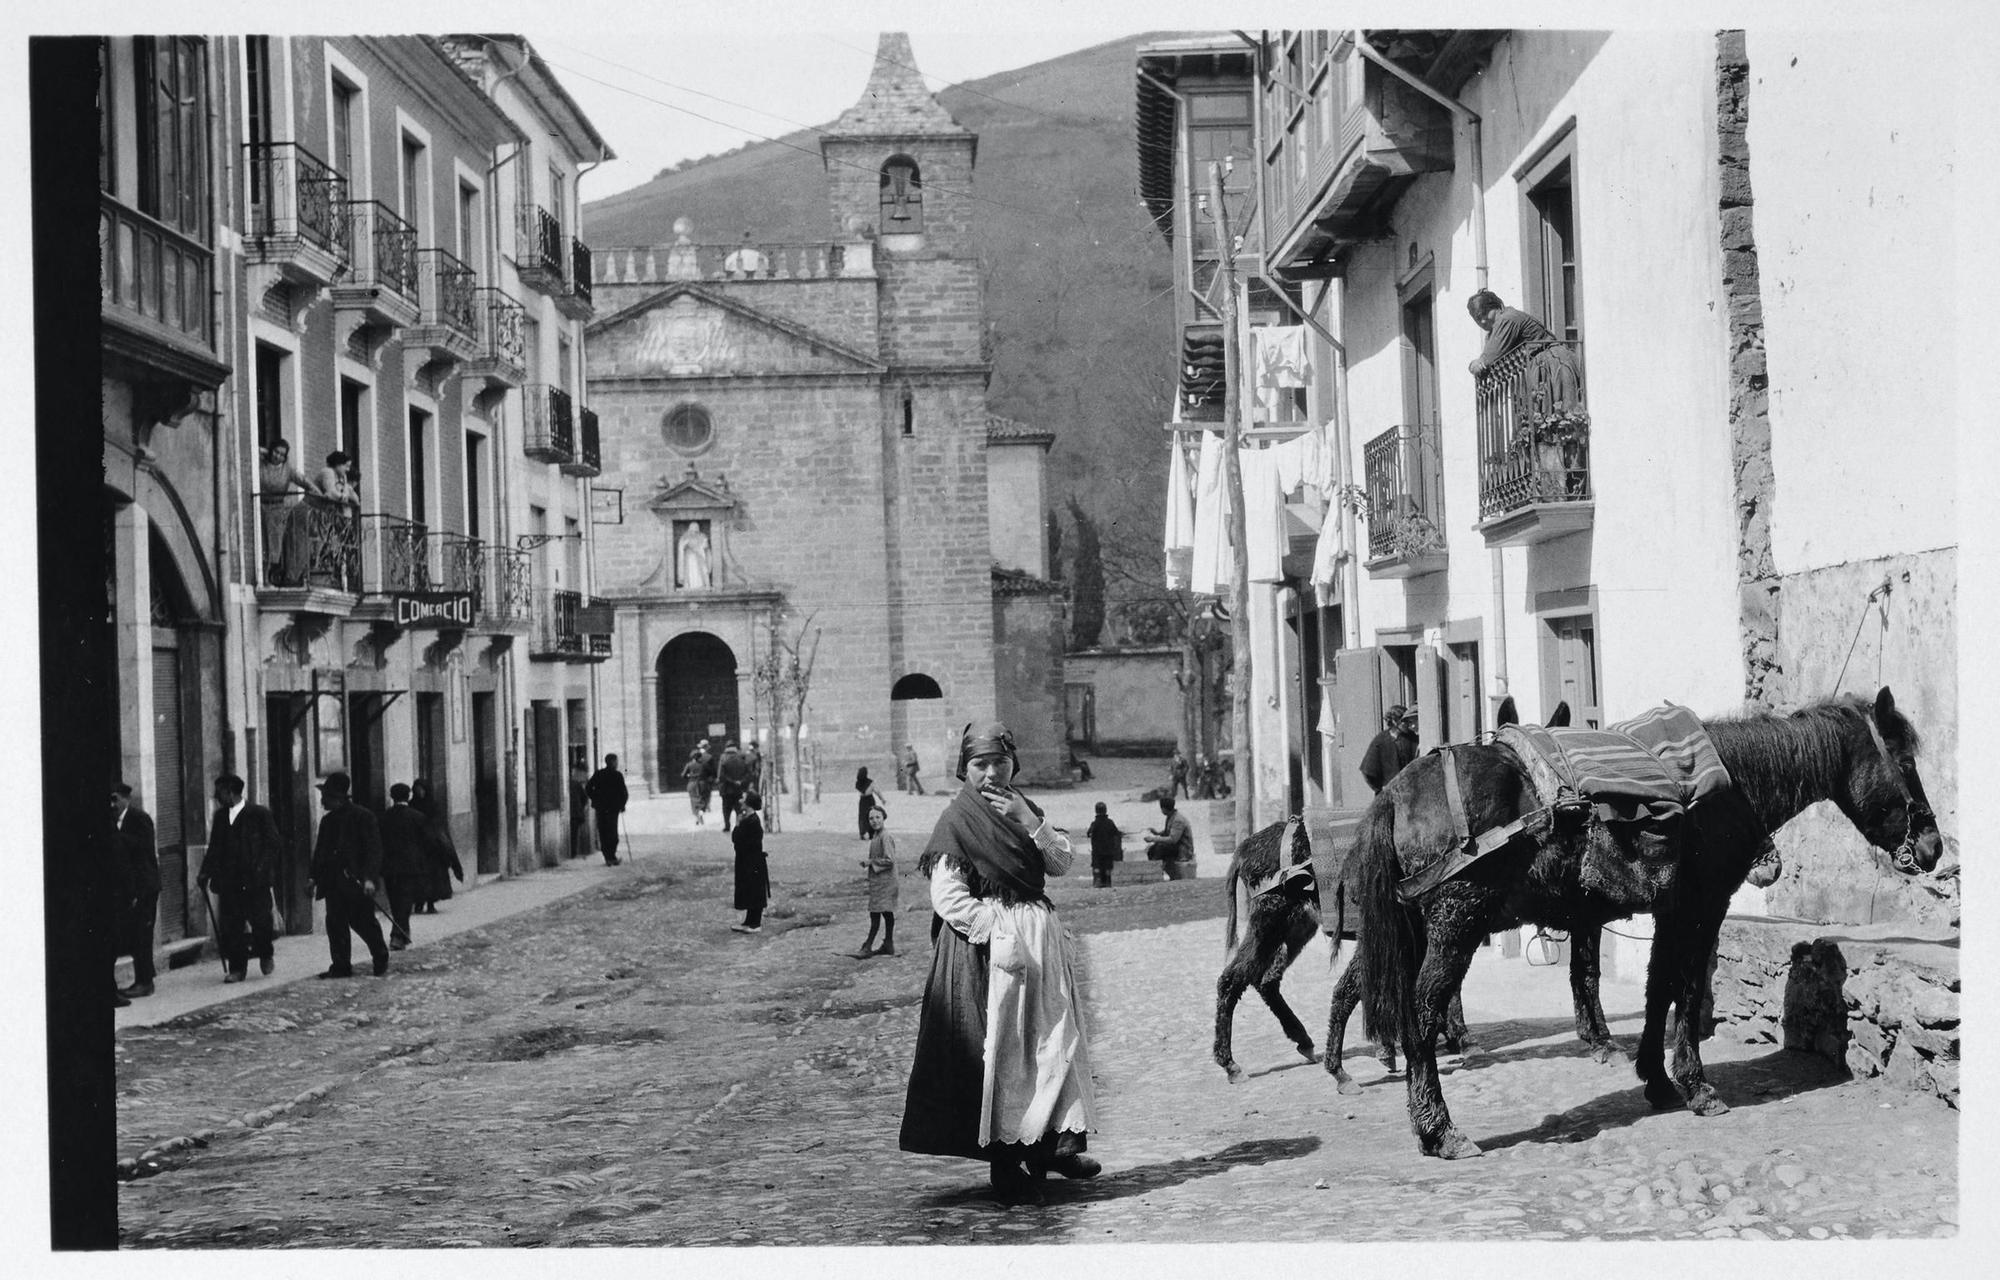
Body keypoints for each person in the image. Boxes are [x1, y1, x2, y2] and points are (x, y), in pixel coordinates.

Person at [899, 721, 1100, 1205]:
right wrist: (998, 931)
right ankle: (1006, 1163)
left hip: (1041, 947)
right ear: (963, 769)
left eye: (1000, 762)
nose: (991, 773)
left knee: (1053, 1044)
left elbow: (1060, 864)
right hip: (990, 955)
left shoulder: (1024, 807)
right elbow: (948, 897)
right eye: (979, 764)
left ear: (1014, 763)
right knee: (1005, 1055)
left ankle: (1054, 1148)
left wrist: (1031, 820)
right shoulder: (957, 820)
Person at [198, 774, 280, 984]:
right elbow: (214, 848)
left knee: (261, 922)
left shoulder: (259, 813)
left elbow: (272, 845)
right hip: (229, 882)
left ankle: (265, 953)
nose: (216, 796)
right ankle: (237, 969)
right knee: (231, 927)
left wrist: (261, 869)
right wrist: (205, 872)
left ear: (231, 792)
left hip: (255, 882)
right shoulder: (220, 817)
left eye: (219, 792)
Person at [310, 772, 390, 979]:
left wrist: (370, 878)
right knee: (335, 924)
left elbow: (374, 850)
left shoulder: (363, 817)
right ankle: (341, 965)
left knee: (363, 922)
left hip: (357, 881)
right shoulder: (327, 822)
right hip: (333, 882)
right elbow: (320, 852)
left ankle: (380, 955)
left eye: (325, 796)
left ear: (336, 797)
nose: (322, 801)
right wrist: (313, 878)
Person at [1465, 289, 1585, 418]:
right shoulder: (1499, 326)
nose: (1483, 321)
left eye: (1485, 313)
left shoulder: (1507, 319)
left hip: (1554, 364)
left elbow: (1489, 358)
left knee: (1561, 414)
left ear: (1496, 307)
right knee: (1548, 416)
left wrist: (1476, 365)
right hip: (1544, 366)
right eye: (1477, 318)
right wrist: (1474, 365)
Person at [379, 783, 442, 951]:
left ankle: (400, 933)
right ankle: (398, 935)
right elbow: (429, 842)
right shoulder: (418, 817)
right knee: (405, 900)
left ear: (392, 797)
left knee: (395, 900)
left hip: (390, 867)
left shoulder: (384, 817)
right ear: (408, 796)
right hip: (411, 867)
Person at [112, 783, 160, 1000]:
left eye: (115, 799)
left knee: (142, 934)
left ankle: (145, 982)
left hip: (144, 887)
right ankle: (143, 977)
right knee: (132, 935)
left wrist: (116, 838)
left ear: (125, 798)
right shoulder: (114, 822)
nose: (112, 804)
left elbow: (144, 849)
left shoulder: (139, 818)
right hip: (126, 888)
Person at [258, 438, 320, 586]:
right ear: (271, 451)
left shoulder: (288, 470)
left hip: (278, 510)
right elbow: (252, 448)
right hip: (260, 507)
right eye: (275, 452)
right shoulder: (260, 464)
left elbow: (306, 482)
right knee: (261, 542)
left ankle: (269, 578)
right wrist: (264, 451)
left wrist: (318, 496)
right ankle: (263, 577)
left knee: (274, 546)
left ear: (285, 457)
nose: (277, 456)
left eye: (281, 454)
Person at [408, 778, 463, 912]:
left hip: (432, 847)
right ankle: (419, 903)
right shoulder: (412, 805)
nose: (419, 792)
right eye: (417, 789)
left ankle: (431, 903)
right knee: (419, 877)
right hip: (418, 846)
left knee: (433, 877)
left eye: (421, 789)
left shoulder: (433, 805)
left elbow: (438, 825)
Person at [859, 804, 898, 957]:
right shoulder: (876, 835)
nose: (874, 821)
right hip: (880, 881)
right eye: (871, 818)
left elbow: (889, 860)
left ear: (883, 818)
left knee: (876, 913)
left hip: (886, 882)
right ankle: (888, 944)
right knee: (885, 912)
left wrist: (870, 862)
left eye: (877, 817)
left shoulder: (885, 836)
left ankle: (867, 946)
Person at [1360, 704, 1420, 794]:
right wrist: (1379, 788)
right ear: (1394, 721)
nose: (1408, 724)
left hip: (1410, 791)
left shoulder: (1413, 738)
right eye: (1403, 721)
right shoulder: (1380, 740)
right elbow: (1367, 771)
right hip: (1389, 794)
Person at [730, 792, 768, 934]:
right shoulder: (749, 818)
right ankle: (748, 921)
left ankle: (755, 924)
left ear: (749, 803)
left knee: (754, 891)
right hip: (746, 860)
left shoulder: (752, 821)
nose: (740, 801)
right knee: (749, 890)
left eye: (743, 799)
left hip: (752, 861)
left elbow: (738, 840)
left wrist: (738, 825)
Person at [585, 753, 629, 865]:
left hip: (602, 808)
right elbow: (624, 793)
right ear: (612, 762)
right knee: (612, 833)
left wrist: (596, 798)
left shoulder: (599, 774)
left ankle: (608, 857)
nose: (616, 763)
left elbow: (588, 788)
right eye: (615, 761)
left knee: (603, 832)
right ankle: (611, 856)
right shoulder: (617, 775)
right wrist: (622, 805)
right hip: (612, 809)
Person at [1142, 795, 1196, 881]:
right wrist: (1157, 833)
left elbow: (1172, 839)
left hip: (1183, 849)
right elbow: (1169, 831)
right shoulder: (1171, 816)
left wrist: (1153, 839)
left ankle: (1156, 872)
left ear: (1164, 809)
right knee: (1152, 849)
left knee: (1160, 848)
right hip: (1176, 846)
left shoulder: (1178, 820)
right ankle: (1158, 872)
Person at [1085, 801, 1123, 889]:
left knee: (1097, 865)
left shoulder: (1094, 823)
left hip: (1097, 852)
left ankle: (1097, 880)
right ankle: (1108, 881)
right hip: (1109, 851)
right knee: (1108, 867)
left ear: (1096, 811)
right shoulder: (1110, 822)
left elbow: (1088, 833)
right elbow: (1116, 833)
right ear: (1106, 810)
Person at [717, 742, 752, 832]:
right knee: (738, 808)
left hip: (726, 788)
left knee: (726, 808)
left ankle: (727, 825)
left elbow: (721, 775)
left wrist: (732, 781)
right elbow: (748, 773)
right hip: (739, 789)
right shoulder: (742, 758)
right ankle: (739, 825)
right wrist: (741, 782)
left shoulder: (723, 758)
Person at [568, 761, 592, 859]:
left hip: (575, 813)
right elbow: (585, 798)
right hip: (576, 813)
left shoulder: (573, 784)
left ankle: (574, 852)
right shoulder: (576, 784)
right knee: (574, 834)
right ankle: (573, 852)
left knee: (574, 833)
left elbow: (584, 798)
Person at [856, 767, 886, 839]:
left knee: (862, 817)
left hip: (862, 801)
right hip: (870, 800)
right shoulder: (870, 782)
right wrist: (882, 799)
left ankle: (862, 832)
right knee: (871, 816)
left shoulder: (858, 783)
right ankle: (871, 832)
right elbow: (877, 791)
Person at [682, 746, 708, 825]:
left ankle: (697, 816)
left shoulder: (689, 765)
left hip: (692, 784)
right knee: (702, 799)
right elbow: (708, 774)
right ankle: (701, 813)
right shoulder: (704, 765)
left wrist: (690, 776)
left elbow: (683, 775)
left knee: (694, 801)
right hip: (702, 783)